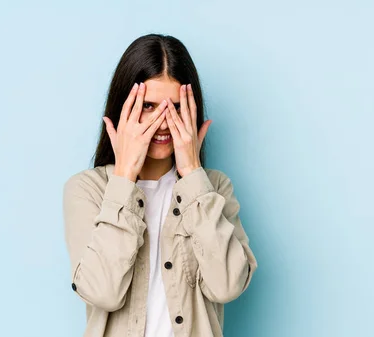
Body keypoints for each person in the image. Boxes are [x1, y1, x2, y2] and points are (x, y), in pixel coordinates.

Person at [62, 33, 257, 337]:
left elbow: (227, 285)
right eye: (149, 106)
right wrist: (125, 176)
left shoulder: (215, 188)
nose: (164, 122)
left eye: (176, 107)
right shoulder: (88, 189)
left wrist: (192, 172)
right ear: (124, 108)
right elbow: (103, 292)